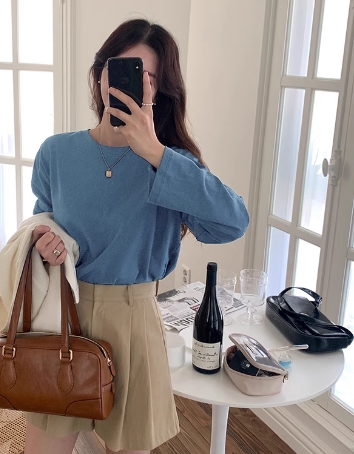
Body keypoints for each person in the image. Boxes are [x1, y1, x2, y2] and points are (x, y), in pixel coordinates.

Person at [26, 18, 249, 454]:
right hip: (65, 317)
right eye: (122, 68)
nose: (132, 84)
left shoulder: (170, 163)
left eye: (147, 77)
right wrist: (42, 242)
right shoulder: (57, 152)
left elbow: (232, 222)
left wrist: (155, 153)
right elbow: (42, 220)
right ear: (101, 74)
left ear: (158, 91)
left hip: (136, 323)